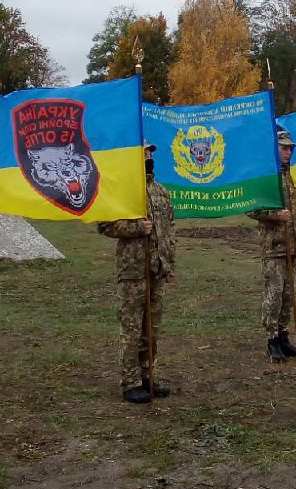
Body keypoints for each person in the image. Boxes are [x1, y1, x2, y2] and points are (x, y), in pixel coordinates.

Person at [98, 142, 176, 404]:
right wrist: (136, 228)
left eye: (150, 152)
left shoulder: (160, 191)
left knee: (151, 329)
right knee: (131, 328)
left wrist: (168, 264)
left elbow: (169, 230)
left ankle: (147, 376)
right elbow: (105, 225)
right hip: (133, 271)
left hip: (156, 270)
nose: (149, 156)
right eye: (144, 152)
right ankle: (130, 382)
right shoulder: (123, 190)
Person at [247, 129, 296, 361]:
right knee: (274, 294)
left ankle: (283, 336)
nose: (288, 152)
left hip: (293, 245)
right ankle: (272, 340)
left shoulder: (293, 177)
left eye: (290, 148)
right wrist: (275, 215)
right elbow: (252, 208)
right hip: (274, 246)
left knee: (288, 295)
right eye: (284, 148)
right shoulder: (266, 177)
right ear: (274, 148)